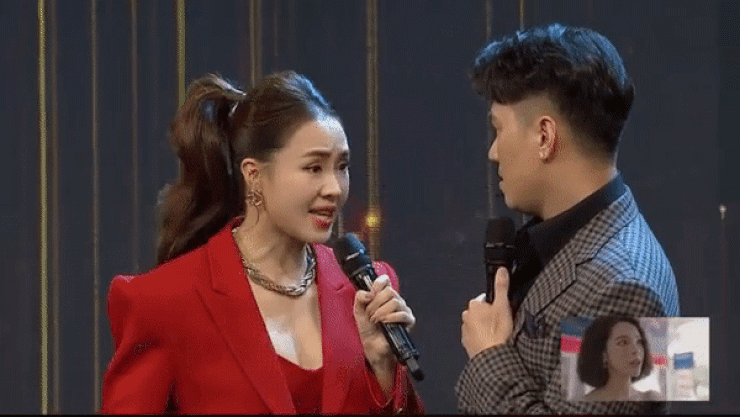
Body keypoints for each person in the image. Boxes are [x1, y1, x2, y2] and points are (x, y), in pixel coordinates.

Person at [101, 71, 423, 414]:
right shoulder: (163, 302)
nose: (334, 188)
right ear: (253, 175)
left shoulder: (367, 292)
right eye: (314, 168)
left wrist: (382, 367)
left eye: (341, 166)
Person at [456, 23, 679, 414]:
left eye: (498, 129)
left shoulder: (628, 285)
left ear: (545, 137)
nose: (493, 152)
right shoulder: (579, 242)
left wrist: (488, 355)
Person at [577, 316, 663, 402]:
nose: (636, 350)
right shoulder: (584, 402)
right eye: (623, 342)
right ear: (604, 355)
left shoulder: (651, 398)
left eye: (639, 342)